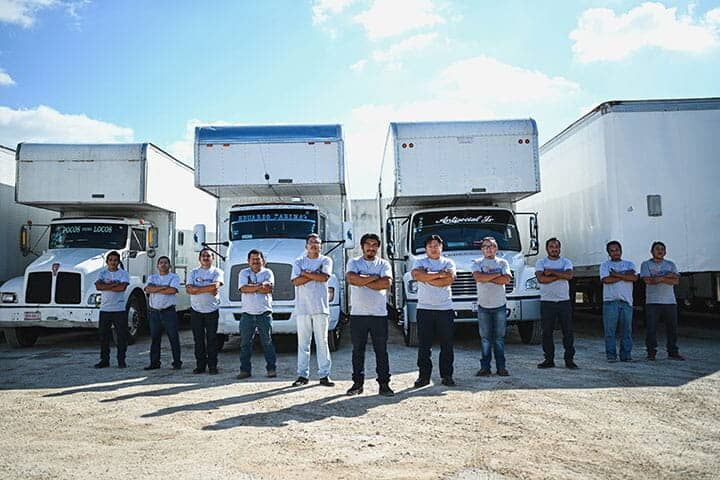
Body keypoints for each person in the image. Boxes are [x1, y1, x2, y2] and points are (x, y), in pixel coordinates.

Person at [345, 233, 394, 397]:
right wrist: (374, 278)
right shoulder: (353, 262)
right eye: (368, 244)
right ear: (362, 246)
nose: (371, 248)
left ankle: (384, 384)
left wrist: (363, 279)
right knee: (357, 350)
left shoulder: (384, 263)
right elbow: (351, 279)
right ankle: (357, 384)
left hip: (379, 314)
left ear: (378, 247)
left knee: (381, 351)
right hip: (358, 314)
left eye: (374, 245)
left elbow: (386, 283)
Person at [411, 234, 457, 387]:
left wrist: (428, 277)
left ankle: (447, 376)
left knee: (447, 345)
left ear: (441, 247)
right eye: (430, 246)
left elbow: (449, 279)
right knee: (424, 346)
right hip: (425, 309)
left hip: (445, 309)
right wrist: (439, 275)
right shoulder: (419, 261)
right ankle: (423, 376)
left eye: (436, 245)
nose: (433, 248)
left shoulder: (448, 262)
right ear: (426, 249)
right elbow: (417, 275)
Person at [291, 233, 335, 387]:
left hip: (320, 307)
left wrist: (305, 273)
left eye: (317, 243)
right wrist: (314, 274)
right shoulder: (298, 261)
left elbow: (324, 278)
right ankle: (302, 375)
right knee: (303, 343)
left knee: (322, 342)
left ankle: (324, 375)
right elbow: (296, 281)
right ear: (306, 246)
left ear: (321, 246)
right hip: (303, 308)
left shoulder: (325, 260)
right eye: (311, 243)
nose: (314, 245)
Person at [472, 236, 512, 377]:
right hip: (483, 306)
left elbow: (506, 279)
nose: (489, 249)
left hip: (499, 306)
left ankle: (501, 367)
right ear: (482, 249)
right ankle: (485, 368)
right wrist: (496, 276)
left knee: (499, 339)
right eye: (486, 246)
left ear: (496, 248)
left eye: (492, 246)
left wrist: (486, 275)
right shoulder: (477, 263)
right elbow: (478, 278)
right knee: (485, 339)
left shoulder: (503, 262)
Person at [535, 238, 578, 369]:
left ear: (560, 248)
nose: (554, 249)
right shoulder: (541, 262)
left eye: (556, 247)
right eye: (551, 247)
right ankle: (549, 359)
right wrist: (560, 275)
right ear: (546, 249)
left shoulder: (566, 261)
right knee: (547, 332)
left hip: (563, 301)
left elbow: (570, 276)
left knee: (568, 332)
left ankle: (569, 360)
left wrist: (552, 272)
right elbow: (541, 279)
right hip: (547, 302)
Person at [640, 241, 684, 361]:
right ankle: (651, 352)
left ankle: (673, 352)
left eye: (662, 249)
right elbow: (648, 280)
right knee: (651, 329)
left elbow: (676, 281)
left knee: (672, 329)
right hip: (652, 302)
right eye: (657, 249)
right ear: (651, 251)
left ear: (665, 251)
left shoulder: (670, 264)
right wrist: (668, 276)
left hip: (670, 302)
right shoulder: (646, 264)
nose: (660, 251)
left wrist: (660, 278)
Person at [236, 249, 277, 379]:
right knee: (245, 344)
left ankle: (271, 369)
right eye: (253, 259)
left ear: (262, 261)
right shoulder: (243, 273)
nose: (255, 262)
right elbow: (243, 289)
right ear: (248, 261)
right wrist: (259, 286)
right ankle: (245, 370)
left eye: (258, 259)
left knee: (267, 342)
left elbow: (268, 289)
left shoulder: (268, 272)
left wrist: (252, 287)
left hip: (264, 313)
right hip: (247, 314)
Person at [186, 248, 224, 374]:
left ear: (212, 258)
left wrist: (197, 289)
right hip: (196, 311)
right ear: (199, 258)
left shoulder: (217, 271)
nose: (206, 258)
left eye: (208, 256)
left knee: (212, 340)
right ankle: (200, 366)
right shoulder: (193, 272)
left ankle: (213, 366)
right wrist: (207, 289)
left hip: (212, 311)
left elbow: (215, 286)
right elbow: (189, 290)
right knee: (198, 340)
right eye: (203, 256)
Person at [600, 240, 638, 362]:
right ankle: (611, 355)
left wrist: (616, 275)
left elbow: (634, 277)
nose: (615, 252)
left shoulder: (629, 264)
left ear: (621, 250)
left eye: (617, 250)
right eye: (612, 251)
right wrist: (624, 276)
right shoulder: (604, 265)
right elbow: (606, 280)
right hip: (610, 302)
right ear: (608, 253)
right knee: (610, 331)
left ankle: (626, 355)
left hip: (626, 302)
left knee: (626, 331)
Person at [143, 256, 182, 370]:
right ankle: (154, 363)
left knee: (173, 338)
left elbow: (172, 290)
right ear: (157, 265)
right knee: (155, 339)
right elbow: (148, 289)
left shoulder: (174, 277)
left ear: (169, 265)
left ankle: (177, 362)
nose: (163, 264)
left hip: (168, 312)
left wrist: (156, 288)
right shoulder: (152, 277)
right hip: (154, 312)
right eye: (161, 263)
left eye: (165, 263)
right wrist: (164, 287)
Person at [94, 250, 130, 369]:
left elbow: (122, 288)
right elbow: (98, 286)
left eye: (115, 260)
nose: (113, 262)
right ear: (107, 262)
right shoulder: (102, 273)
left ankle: (121, 360)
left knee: (121, 336)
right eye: (111, 260)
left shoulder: (123, 274)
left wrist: (106, 286)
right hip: (105, 309)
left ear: (118, 262)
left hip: (119, 309)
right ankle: (104, 360)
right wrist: (114, 285)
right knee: (103, 336)